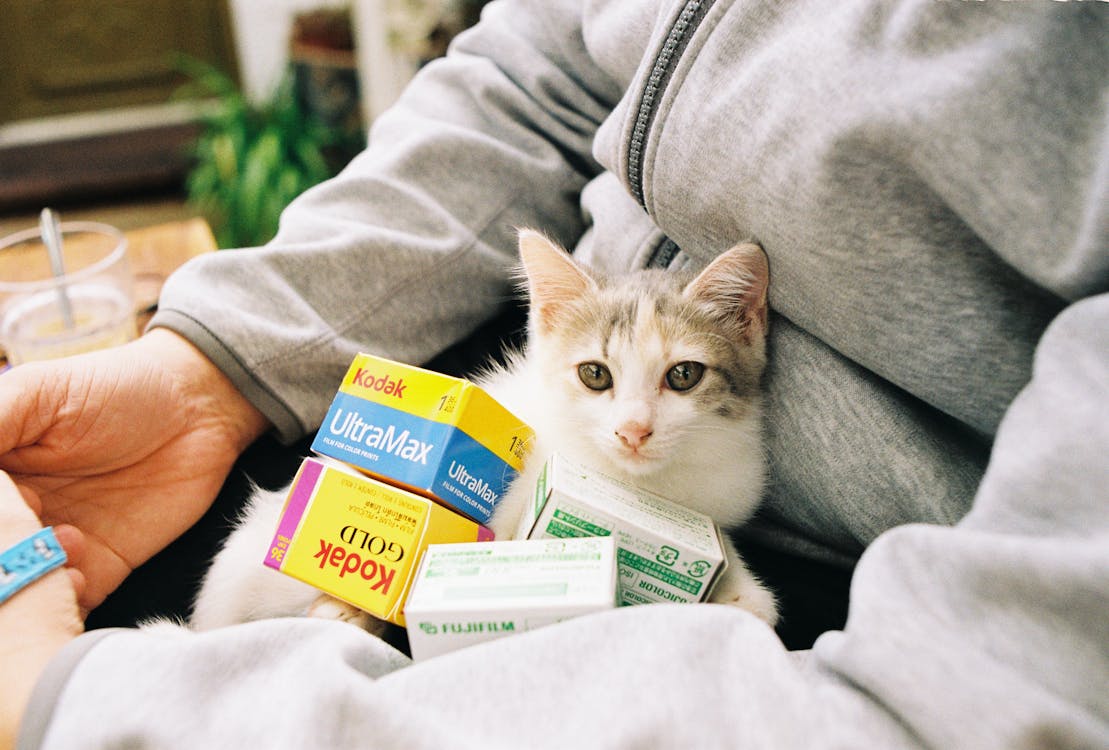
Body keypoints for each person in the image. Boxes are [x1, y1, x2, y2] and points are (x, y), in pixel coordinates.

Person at [2, 1, 1106, 747]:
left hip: (830, 638)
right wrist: (212, 365)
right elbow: (531, 80)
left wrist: (82, 707)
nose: (637, 420)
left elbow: (948, 712)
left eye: (674, 384)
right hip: (484, 454)